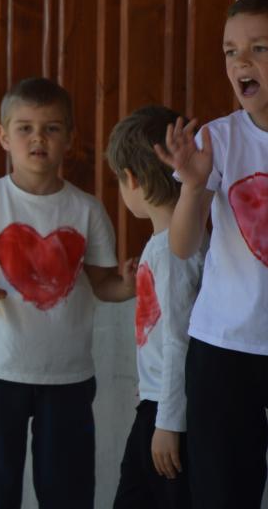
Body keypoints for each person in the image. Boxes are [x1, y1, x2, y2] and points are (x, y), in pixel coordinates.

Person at [0, 77, 132, 508]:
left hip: (68, 373)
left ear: (70, 138)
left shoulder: (87, 209)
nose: (38, 138)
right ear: (3, 136)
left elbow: (103, 284)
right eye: (25, 128)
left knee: (67, 491)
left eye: (51, 128)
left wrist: (129, 284)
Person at [156, 0, 268, 508]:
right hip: (224, 346)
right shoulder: (218, 140)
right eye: (230, 51)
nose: (241, 62)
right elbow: (182, 246)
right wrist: (194, 186)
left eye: (259, 48)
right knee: (222, 493)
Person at [107, 106, 203, 508]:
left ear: (131, 178)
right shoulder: (164, 245)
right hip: (158, 403)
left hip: (170, 416)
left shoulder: (171, 252)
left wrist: (167, 422)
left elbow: (179, 339)